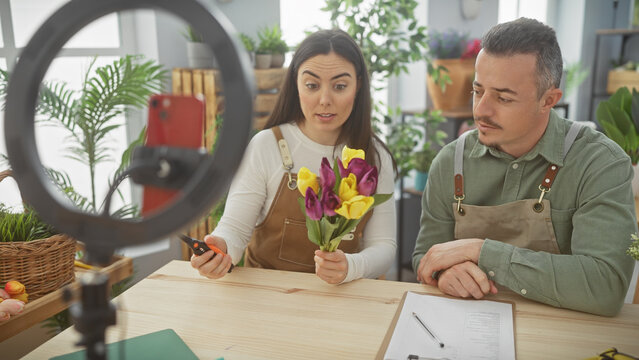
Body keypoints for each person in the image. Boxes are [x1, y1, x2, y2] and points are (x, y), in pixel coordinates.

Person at [413, 18, 637, 316]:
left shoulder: (600, 164)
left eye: (503, 97)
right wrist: (442, 274)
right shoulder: (450, 162)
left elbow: (605, 287)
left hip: (562, 336)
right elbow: (425, 256)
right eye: (478, 91)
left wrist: (482, 251)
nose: (481, 110)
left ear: (549, 100)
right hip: (466, 328)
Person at [191, 29, 397, 284]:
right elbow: (234, 230)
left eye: (340, 86)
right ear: (295, 84)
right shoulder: (266, 146)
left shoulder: (375, 158)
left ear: (358, 87)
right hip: (268, 300)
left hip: (342, 300)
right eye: (311, 85)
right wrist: (220, 249)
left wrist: (352, 266)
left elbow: (384, 246)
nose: (324, 100)